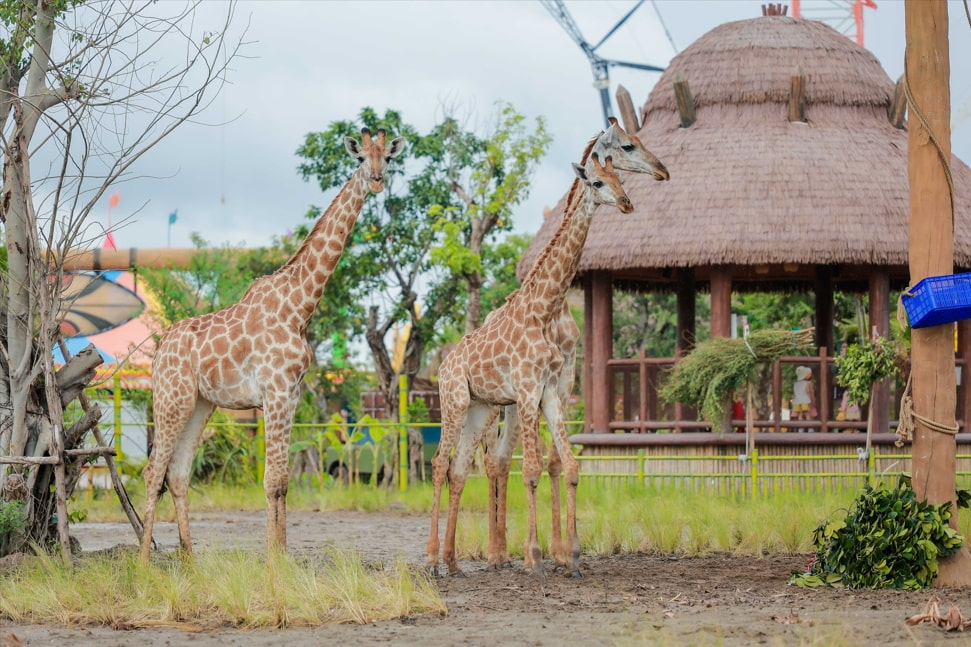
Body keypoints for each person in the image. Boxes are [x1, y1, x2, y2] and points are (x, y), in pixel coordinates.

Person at [792, 365, 817, 432]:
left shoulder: (795, 384)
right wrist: (813, 399)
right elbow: (809, 392)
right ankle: (810, 428)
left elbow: (794, 393)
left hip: (797, 400)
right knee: (807, 414)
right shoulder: (808, 383)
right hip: (805, 400)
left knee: (800, 415)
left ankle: (801, 429)